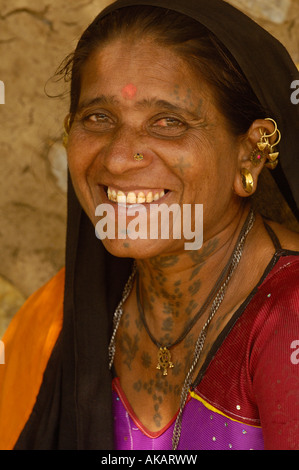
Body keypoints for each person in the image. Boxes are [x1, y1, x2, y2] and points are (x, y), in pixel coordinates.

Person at [0, 0, 299, 451]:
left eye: (168, 123)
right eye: (98, 118)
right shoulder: (64, 314)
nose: (119, 158)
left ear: (251, 153)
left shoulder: (287, 317)